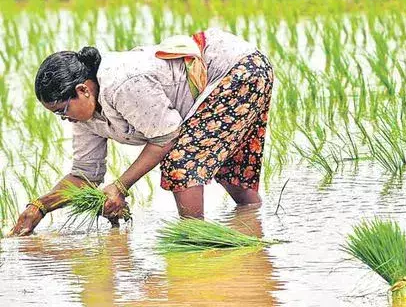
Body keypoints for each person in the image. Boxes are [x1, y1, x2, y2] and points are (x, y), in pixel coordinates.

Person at [9, 28, 274, 236]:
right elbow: (85, 175)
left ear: (82, 90)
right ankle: (252, 224)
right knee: (228, 168)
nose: (65, 120)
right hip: (232, 75)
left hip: (239, 69)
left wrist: (120, 187)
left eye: (62, 111)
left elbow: (166, 136)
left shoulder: (122, 84)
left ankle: (196, 242)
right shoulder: (87, 117)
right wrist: (40, 206)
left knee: (181, 161)